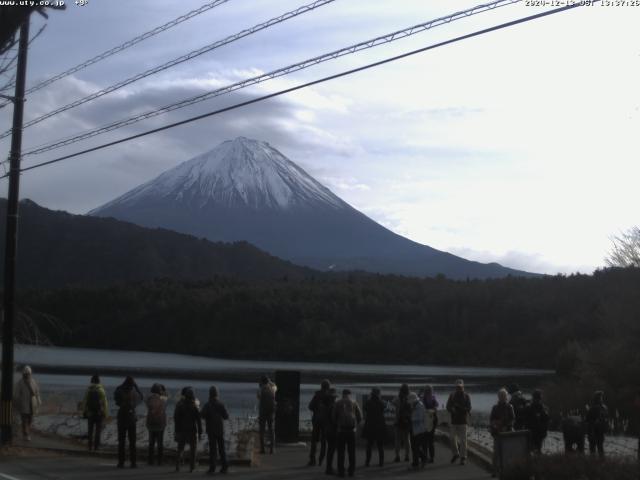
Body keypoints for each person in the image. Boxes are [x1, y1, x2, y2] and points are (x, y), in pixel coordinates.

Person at [114, 375, 143, 468]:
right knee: (132, 442)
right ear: (132, 384)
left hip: (122, 417)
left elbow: (116, 399)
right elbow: (141, 397)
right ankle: (133, 462)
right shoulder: (134, 392)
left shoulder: (119, 391)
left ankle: (121, 462)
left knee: (121, 442)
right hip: (131, 418)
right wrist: (136, 386)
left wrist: (121, 386)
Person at [333, 389, 362, 478]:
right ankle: (351, 471)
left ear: (343, 394)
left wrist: (337, 425)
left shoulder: (337, 403)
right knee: (351, 452)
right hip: (351, 431)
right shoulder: (354, 402)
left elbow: (333, 416)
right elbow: (360, 416)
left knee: (341, 452)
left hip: (341, 430)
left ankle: (341, 471)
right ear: (350, 394)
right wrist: (356, 425)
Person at [201, 385, 230, 474]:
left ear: (210, 394)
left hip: (211, 430)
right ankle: (224, 466)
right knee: (222, 449)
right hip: (220, 429)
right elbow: (226, 416)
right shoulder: (221, 404)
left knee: (212, 449)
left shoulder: (207, 405)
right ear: (217, 394)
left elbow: (202, 415)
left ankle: (212, 468)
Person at [174, 387, 203, 472]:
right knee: (193, 449)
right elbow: (199, 420)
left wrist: (176, 430)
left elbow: (176, 418)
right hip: (192, 430)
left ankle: (177, 466)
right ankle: (192, 467)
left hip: (182, 430)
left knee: (180, 449)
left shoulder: (180, 405)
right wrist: (200, 432)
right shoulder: (195, 406)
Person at [489, 388, 515, 478]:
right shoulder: (495, 408)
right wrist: (495, 425)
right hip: (497, 433)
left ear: (506, 397)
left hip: (507, 433)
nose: (502, 397)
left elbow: (512, 419)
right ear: (498, 397)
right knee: (496, 453)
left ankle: (507, 470)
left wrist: (506, 426)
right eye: (501, 396)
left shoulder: (510, 407)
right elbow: (491, 420)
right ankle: (494, 471)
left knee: (507, 452)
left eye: (504, 396)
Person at [446, 379, 471, 465]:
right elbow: (447, 407)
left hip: (463, 421)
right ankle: (456, 454)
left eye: (460, 387)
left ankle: (463, 457)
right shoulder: (452, 396)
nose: (459, 388)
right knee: (452, 438)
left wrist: (461, 409)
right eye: (457, 387)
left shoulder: (467, 396)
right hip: (454, 421)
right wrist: (452, 409)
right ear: (455, 387)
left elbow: (469, 408)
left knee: (463, 440)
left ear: (463, 386)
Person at [13, 365, 41, 442]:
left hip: (32, 405)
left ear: (30, 373)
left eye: (28, 373)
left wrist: (38, 401)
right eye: (26, 373)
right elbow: (16, 394)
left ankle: (26, 433)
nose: (27, 375)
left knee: (30, 420)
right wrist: (17, 402)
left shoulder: (33, 381)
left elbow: (37, 392)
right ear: (23, 374)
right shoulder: (20, 383)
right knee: (24, 420)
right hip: (23, 405)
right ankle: (26, 434)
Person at [81, 374, 108, 451]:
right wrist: (105, 413)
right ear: (99, 381)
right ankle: (96, 447)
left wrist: (84, 411)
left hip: (90, 413)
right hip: (99, 413)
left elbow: (85, 401)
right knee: (98, 431)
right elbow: (105, 403)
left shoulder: (89, 389)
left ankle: (89, 446)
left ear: (91, 380)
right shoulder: (101, 390)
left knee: (90, 430)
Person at [308, 379, 331, 466]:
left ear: (321, 386)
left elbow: (310, 406)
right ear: (328, 387)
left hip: (316, 420)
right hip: (326, 422)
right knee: (324, 441)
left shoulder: (317, 395)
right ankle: (321, 460)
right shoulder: (330, 396)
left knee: (314, 440)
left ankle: (312, 459)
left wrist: (316, 409)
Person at [362, 387, 386, 467]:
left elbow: (364, 408)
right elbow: (383, 409)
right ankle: (381, 462)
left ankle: (367, 462)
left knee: (369, 445)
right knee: (380, 445)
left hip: (370, 425)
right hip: (379, 425)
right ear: (378, 393)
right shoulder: (381, 402)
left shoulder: (368, 402)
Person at [145, 383, 168, 465]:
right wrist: (163, 390)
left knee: (151, 443)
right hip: (160, 423)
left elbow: (145, 399)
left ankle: (150, 460)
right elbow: (167, 395)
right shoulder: (163, 399)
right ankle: (160, 461)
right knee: (160, 443)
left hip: (151, 423)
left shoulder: (149, 399)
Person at [524, 389, 549, 454]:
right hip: (534, 432)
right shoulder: (531, 407)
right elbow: (546, 420)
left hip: (537, 432)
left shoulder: (542, 408)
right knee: (534, 450)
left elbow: (546, 420)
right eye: (537, 398)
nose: (537, 400)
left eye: (538, 398)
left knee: (535, 450)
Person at [257, 375, 277, 454]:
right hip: (271, 411)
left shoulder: (260, 389)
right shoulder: (272, 389)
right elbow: (275, 385)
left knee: (262, 430)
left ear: (261, 382)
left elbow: (258, 397)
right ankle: (272, 449)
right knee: (271, 429)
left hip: (263, 412)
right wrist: (270, 381)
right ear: (268, 381)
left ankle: (262, 449)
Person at [585, 390, 608, 457]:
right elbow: (606, 417)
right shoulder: (604, 408)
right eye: (601, 397)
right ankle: (602, 462)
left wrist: (588, 410)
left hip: (593, 431)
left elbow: (587, 419)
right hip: (601, 431)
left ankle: (593, 464)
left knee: (592, 449)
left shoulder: (592, 408)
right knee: (600, 448)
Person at [393, 383, 411, 462]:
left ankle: (397, 456)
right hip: (407, 421)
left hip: (398, 421)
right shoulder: (410, 398)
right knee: (407, 439)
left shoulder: (397, 398)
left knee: (397, 440)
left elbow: (392, 403)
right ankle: (407, 456)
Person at [409, 392, 427, 469]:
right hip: (414, 429)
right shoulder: (415, 404)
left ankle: (420, 460)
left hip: (419, 429)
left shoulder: (420, 405)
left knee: (416, 447)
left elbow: (420, 418)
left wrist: (410, 419)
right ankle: (417, 461)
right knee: (414, 447)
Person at [324, 387, 339, 475]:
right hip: (332, 429)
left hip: (326, 428)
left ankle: (328, 467)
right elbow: (334, 419)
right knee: (331, 449)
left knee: (330, 449)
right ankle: (329, 468)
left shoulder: (325, 405)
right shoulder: (333, 406)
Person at [423, 385, 439, 464]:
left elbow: (436, 407)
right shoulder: (431, 398)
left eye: (428, 390)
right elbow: (436, 407)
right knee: (429, 440)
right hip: (429, 420)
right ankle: (430, 457)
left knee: (427, 440)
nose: (428, 392)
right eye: (428, 390)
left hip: (430, 421)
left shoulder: (431, 398)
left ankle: (428, 457)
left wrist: (430, 411)